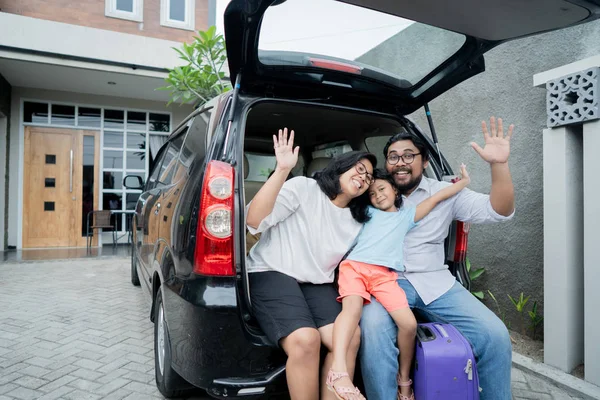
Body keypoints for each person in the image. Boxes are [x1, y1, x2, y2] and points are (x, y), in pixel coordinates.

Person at [359, 117, 516, 400]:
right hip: (384, 284)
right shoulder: (371, 196)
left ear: (425, 161)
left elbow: (499, 210)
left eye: (409, 155)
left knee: (494, 335)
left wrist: (499, 165)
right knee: (373, 330)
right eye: (393, 157)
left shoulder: (445, 192)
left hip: (437, 283)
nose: (400, 162)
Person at [246, 127, 377, 400]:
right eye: (359, 168)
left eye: (369, 176)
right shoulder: (304, 188)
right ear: (340, 167)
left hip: (316, 282)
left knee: (350, 337)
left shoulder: (359, 219)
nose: (364, 177)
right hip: (272, 271)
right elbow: (254, 221)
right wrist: (282, 170)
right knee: (306, 341)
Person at [327, 165, 470, 400]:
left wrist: (463, 183)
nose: (377, 195)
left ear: (395, 190)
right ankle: (338, 369)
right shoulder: (367, 213)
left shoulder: (407, 216)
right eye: (372, 194)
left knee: (409, 325)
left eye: (382, 189)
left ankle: (404, 379)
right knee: (351, 311)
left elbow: (436, 199)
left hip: (384, 276)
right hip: (355, 268)